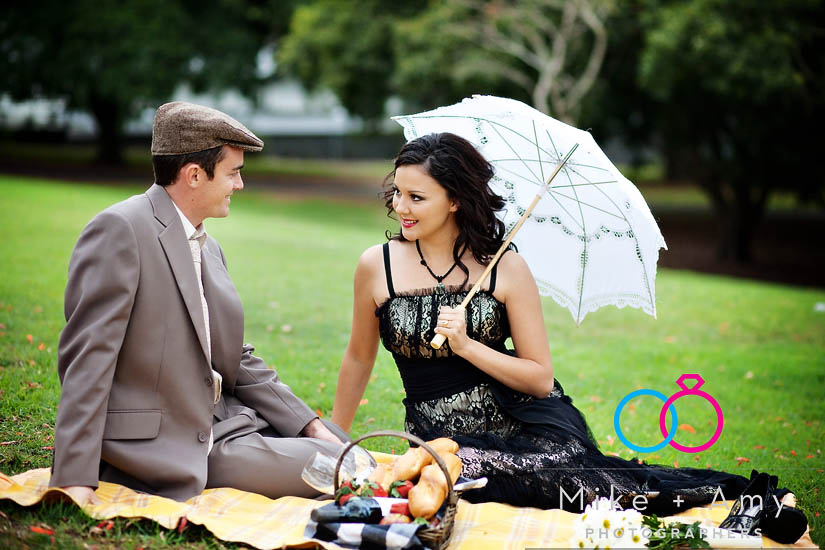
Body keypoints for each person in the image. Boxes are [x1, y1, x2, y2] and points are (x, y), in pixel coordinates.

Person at [331, 132, 807, 543]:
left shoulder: (506, 268)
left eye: (417, 198)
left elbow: (539, 379)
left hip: (527, 422)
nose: (401, 207)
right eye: (398, 193)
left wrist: (468, 346)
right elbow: (358, 358)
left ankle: (747, 498)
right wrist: (336, 441)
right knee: (457, 472)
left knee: (597, 487)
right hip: (444, 438)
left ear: (454, 200)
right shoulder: (377, 266)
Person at [50, 102, 347, 506]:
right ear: (194, 175)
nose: (240, 184)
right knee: (342, 468)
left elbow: (233, 357)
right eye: (233, 172)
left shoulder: (208, 246)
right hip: (164, 445)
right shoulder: (120, 229)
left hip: (226, 423)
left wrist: (308, 424)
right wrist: (74, 478)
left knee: (342, 445)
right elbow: (89, 357)